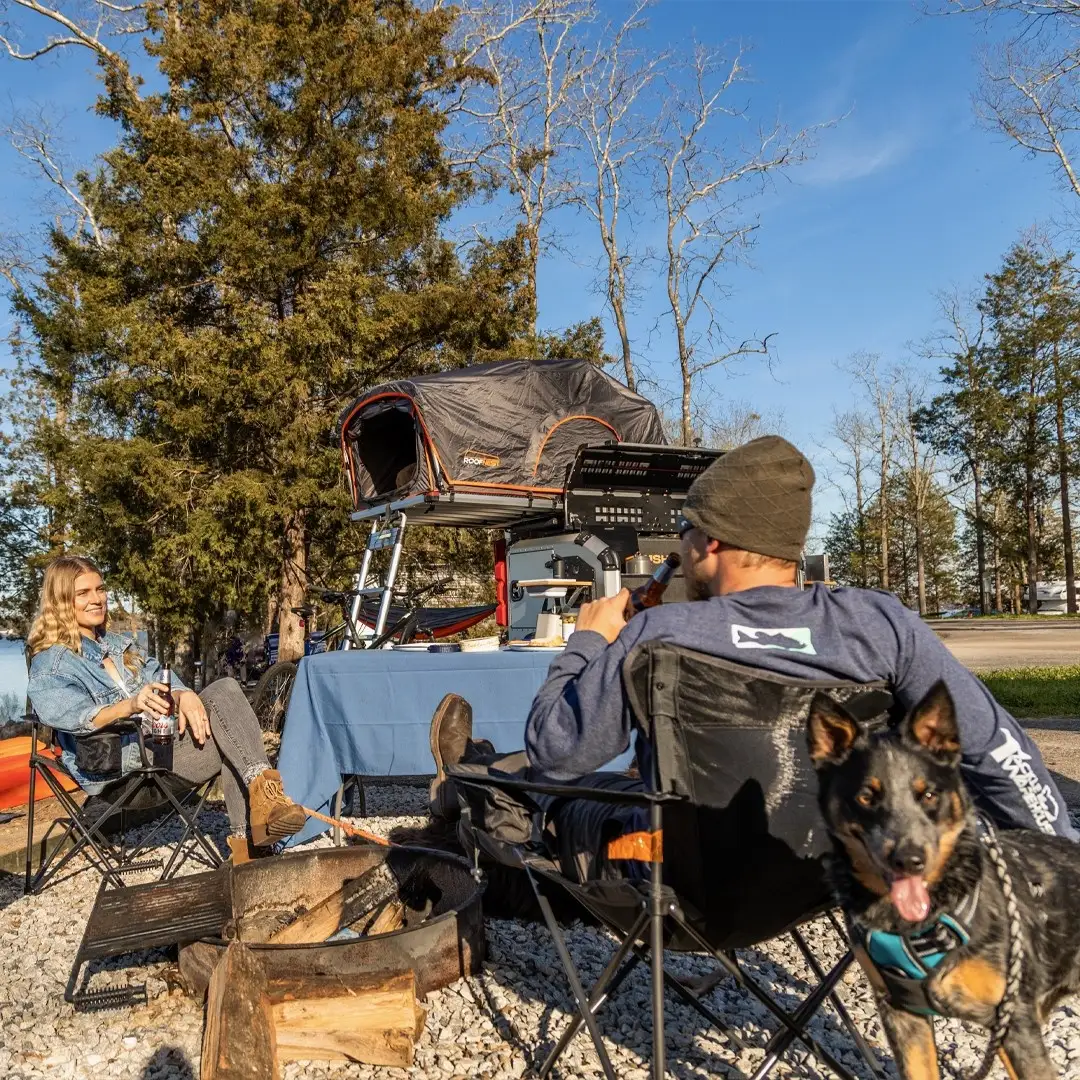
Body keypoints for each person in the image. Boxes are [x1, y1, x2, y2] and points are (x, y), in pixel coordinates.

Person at [429, 435, 1076, 886]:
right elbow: (1000, 755)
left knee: (542, 790)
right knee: (608, 781)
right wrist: (1063, 869)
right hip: (829, 875)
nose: (680, 547)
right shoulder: (882, 626)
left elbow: (559, 750)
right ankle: (476, 783)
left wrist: (589, 642)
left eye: (685, 531)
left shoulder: (659, 632)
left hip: (681, 879)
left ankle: (472, 794)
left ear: (712, 539)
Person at [26, 556, 307, 863]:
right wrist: (130, 705)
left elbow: (162, 675)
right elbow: (76, 718)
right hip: (121, 774)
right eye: (84, 593)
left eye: (100, 589)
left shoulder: (118, 646)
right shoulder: (52, 663)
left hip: (159, 753)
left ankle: (255, 825)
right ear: (61, 601)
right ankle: (253, 839)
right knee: (232, 732)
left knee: (226, 694)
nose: (97, 599)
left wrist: (184, 694)